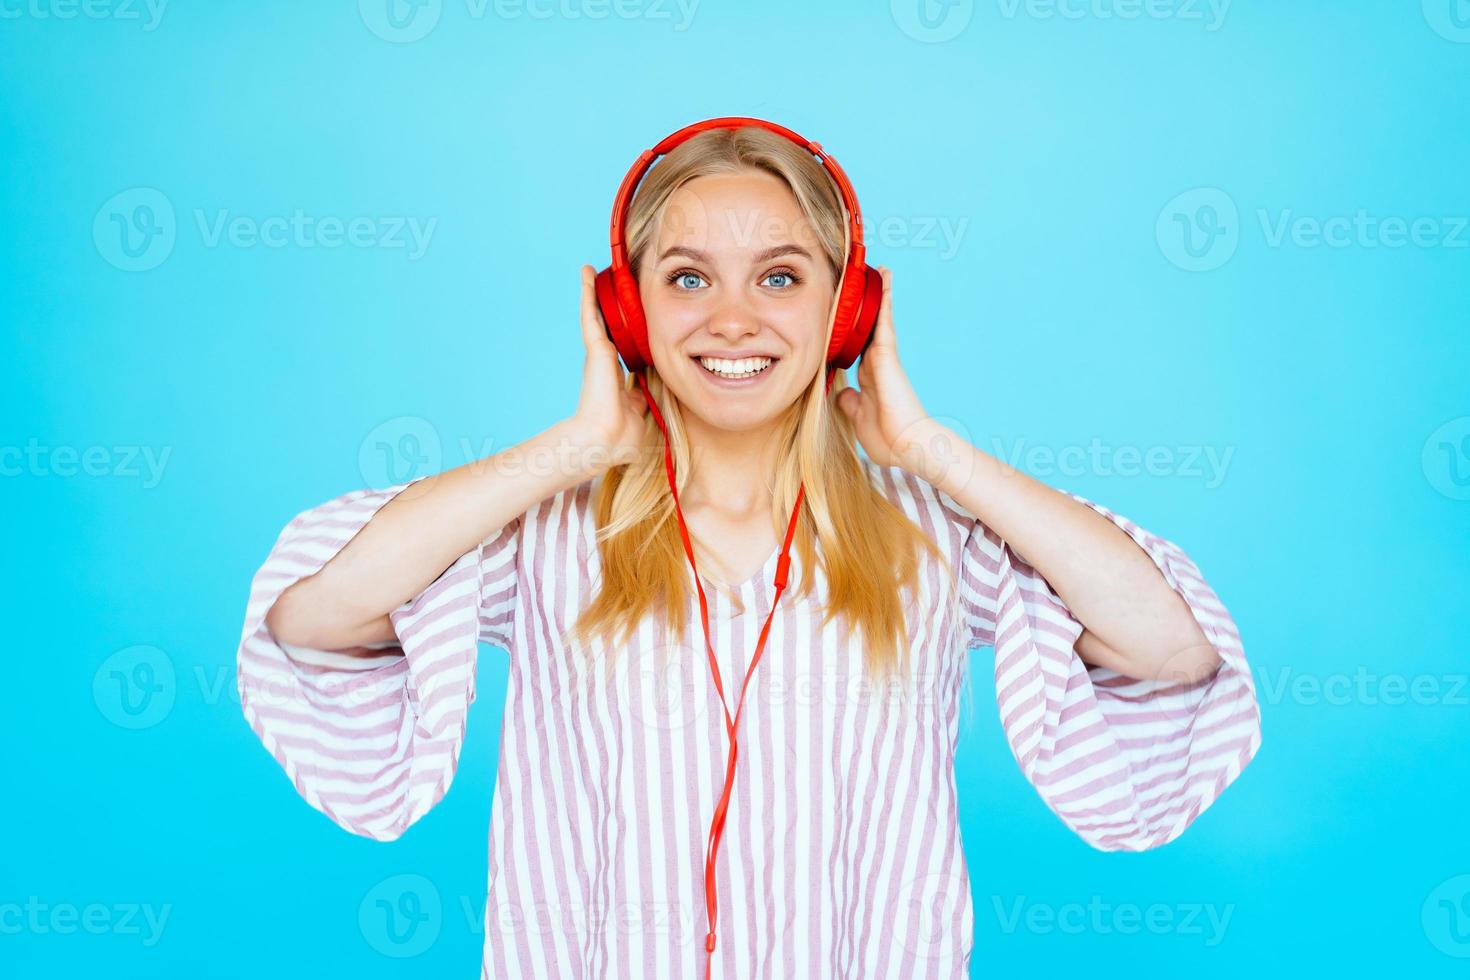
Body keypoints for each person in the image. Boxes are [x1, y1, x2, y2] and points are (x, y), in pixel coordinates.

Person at [236, 123, 1261, 979]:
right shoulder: (539, 529)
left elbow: (1171, 652)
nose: (734, 318)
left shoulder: (932, 531)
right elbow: (313, 623)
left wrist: (927, 447)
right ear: (627, 311)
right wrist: (573, 447)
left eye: (780, 275)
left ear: (845, 308)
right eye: (686, 277)